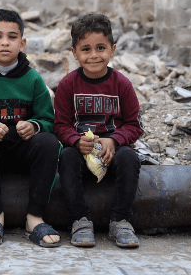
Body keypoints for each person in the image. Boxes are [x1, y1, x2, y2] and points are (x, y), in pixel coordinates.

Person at [0, 9, 61, 247]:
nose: (5, 42)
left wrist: (35, 126)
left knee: (49, 142)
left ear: (22, 43)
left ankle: (34, 218)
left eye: (12, 36)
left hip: (24, 152)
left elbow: (49, 120)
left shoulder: (33, 79)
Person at [54, 13, 143, 248]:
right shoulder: (67, 85)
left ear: (112, 49)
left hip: (111, 153)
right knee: (67, 157)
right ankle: (80, 219)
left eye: (101, 48)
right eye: (86, 49)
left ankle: (120, 220)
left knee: (130, 158)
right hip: (81, 155)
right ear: (74, 53)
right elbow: (60, 125)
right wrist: (74, 140)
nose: (94, 55)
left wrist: (114, 140)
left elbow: (135, 125)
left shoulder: (121, 84)